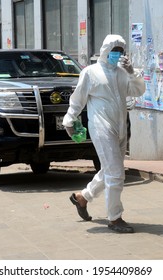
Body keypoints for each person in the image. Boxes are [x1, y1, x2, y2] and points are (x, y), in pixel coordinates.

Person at [63, 34, 145, 233]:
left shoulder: (122, 73)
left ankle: (82, 197)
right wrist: (70, 120)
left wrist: (132, 72)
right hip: (101, 127)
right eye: (113, 51)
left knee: (110, 169)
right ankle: (115, 218)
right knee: (116, 173)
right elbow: (78, 99)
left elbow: (138, 91)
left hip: (120, 126)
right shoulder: (91, 72)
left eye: (120, 51)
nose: (116, 55)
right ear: (105, 51)